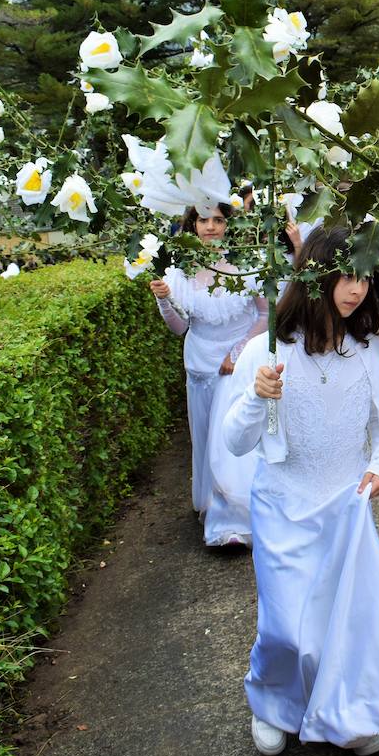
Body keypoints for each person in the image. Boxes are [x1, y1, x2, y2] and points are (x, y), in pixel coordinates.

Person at [221, 224, 379, 756]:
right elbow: (236, 442)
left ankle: (347, 710)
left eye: (365, 278)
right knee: (287, 627)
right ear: (317, 274)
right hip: (283, 503)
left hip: (344, 506)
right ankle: (273, 704)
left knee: (345, 618)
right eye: (346, 275)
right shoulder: (270, 349)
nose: (356, 289)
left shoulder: (367, 348)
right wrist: (257, 396)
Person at [150, 203, 268, 546]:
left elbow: (264, 315)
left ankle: (231, 518)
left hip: (237, 364)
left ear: (228, 225)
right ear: (193, 225)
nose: (211, 227)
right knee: (203, 438)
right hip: (200, 364)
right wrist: (164, 301)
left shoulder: (247, 264)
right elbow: (180, 327)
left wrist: (238, 352)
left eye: (218, 220)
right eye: (204, 220)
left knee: (228, 441)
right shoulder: (178, 272)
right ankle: (210, 500)